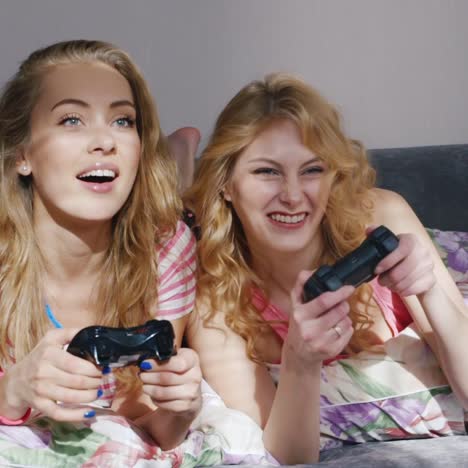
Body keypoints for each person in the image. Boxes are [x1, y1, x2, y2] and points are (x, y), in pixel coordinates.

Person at [185, 73, 468, 464]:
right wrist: (301, 361)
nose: (292, 195)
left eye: (312, 170)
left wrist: (431, 291)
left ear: (334, 176)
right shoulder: (213, 296)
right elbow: (285, 457)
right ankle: (179, 157)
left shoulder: (383, 213)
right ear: (227, 184)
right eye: (267, 172)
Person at [0, 39, 202, 453]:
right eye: (71, 120)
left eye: (123, 122)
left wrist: (178, 410)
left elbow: (149, 422)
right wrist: (13, 390)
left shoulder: (167, 248)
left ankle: (180, 158)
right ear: (23, 153)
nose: (104, 141)